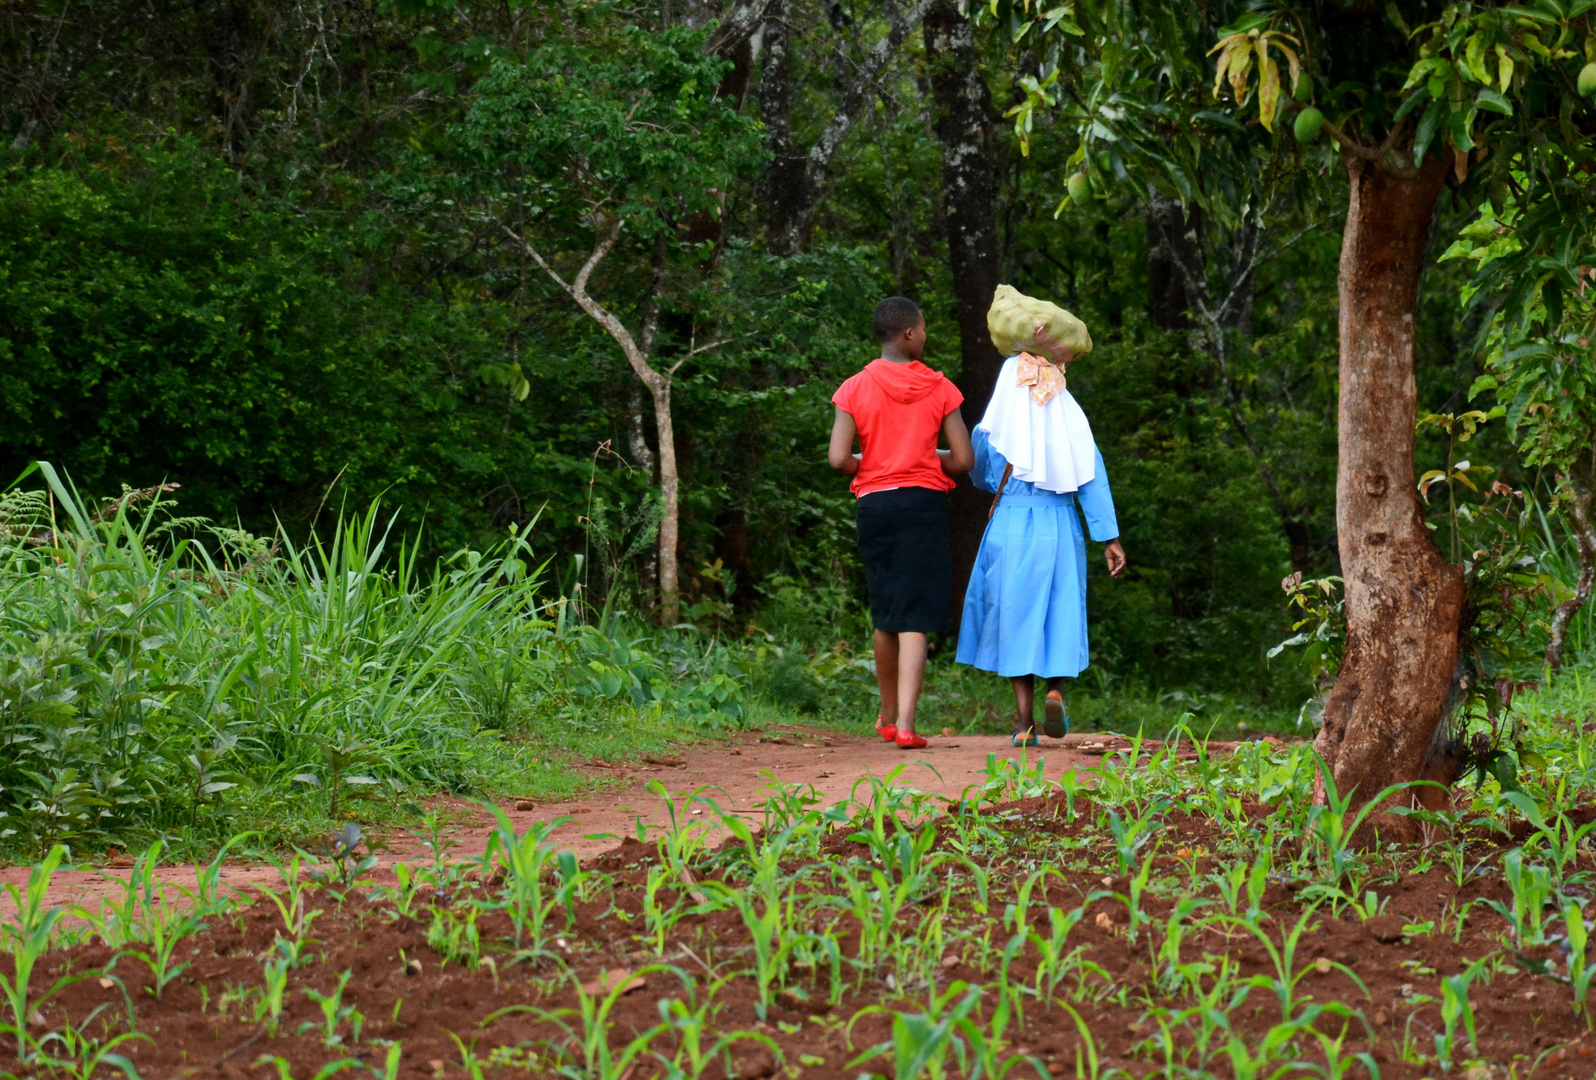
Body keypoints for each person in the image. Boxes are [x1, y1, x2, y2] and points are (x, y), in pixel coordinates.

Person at [956, 321, 1126, 746]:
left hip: (1012, 526)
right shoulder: (1070, 419)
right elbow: (1091, 477)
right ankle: (1057, 691)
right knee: (1061, 613)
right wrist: (1109, 538)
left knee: (1015, 617)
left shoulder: (996, 425)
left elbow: (981, 474)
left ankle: (1024, 723)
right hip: (1060, 526)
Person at [830, 297, 974, 749]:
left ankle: (887, 716)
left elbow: (837, 459)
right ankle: (909, 725)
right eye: (924, 329)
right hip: (922, 506)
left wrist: (870, 462)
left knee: (885, 611)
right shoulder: (940, 388)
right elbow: (964, 460)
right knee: (916, 615)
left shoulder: (852, 388)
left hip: (875, 505)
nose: (926, 336)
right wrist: (925, 455)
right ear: (909, 334)